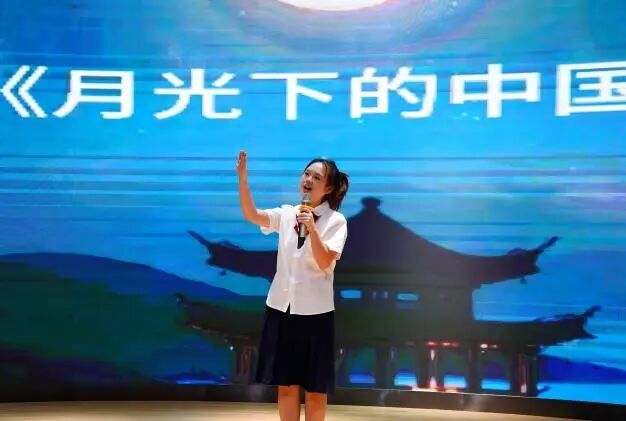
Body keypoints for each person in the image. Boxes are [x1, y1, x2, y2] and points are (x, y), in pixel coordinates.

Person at [236, 150, 349, 421]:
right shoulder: (287, 214)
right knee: (286, 385)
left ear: (328, 188)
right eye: (306, 174)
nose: (308, 180)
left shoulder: (336, 221)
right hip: (281, 309)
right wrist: (243, 179)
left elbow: (324, 261)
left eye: (317, 177)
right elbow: (252, 215)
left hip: (316, 314)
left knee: (315, 389)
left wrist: (312, 229)